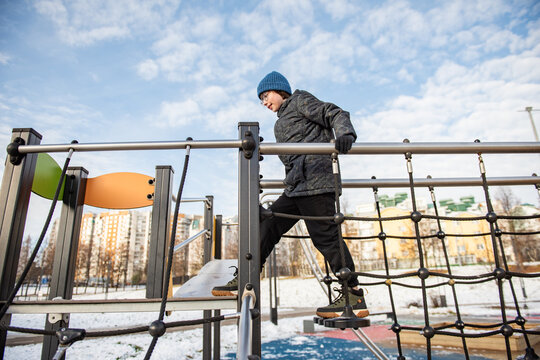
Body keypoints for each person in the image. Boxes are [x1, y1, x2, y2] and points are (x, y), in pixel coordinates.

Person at [212, 71, 368, 319]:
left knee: (325, 237)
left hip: (316, 183)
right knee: (268, 223)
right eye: (261, 99)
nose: (264, 102)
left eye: (266, 95)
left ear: (280, 90)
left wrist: (345, 133)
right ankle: (246, 275)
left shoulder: (300, 101)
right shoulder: (279, 122)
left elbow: (334, 112)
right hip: (296, 188)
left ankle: (353, 294)